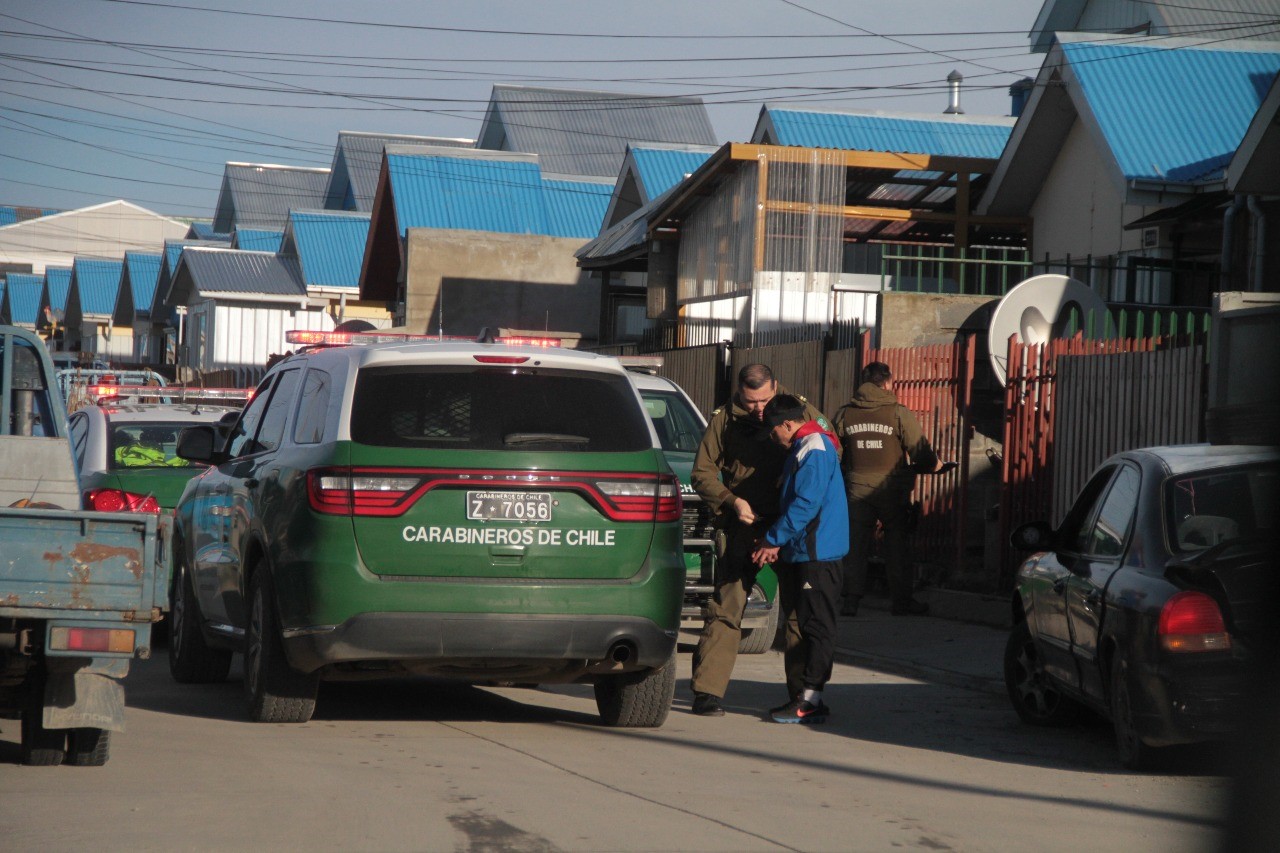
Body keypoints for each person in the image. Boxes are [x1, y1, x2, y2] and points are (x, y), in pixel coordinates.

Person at [687, 363, 832, 717]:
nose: (759, 409)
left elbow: (828, 451)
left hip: (791, 527)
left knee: (798, 613)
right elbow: (702, 473)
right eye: (751, 402)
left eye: (764, 400)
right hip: (745, 525)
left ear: (776, 387)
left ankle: (802, 695)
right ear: (739, 393)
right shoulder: (724, 420)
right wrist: (732, 501)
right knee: (727, 607)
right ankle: (707, 692)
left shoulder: (798, 410)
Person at [751, 394, 848, 724]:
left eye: (774, 431)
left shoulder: (813, 448)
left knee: (817, 625)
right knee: (809, 623)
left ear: (788, 424)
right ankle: (808, 697)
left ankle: (810, 698)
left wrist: (772, 540)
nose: (773, 439)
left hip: (817, 552)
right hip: (808, 549)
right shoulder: (806, 446)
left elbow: (805, 504)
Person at [832, 361, 947, 617]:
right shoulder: (897, 412)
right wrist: (935, 465)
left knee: (855, 545)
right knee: (897, 545)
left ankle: (851, 601)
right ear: (887, 383)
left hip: (856, 488)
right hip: (892, 488)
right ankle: (901, 602)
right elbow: (920, 451)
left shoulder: (845, 413)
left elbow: (833, 451)